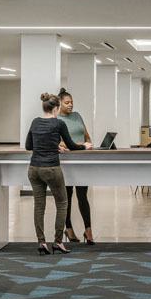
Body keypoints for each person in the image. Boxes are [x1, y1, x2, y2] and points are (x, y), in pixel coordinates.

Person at [25, 93, 77, 254]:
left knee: (39, 206)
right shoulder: (58, 123)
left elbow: (29, 146)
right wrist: (86, 146)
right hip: (51, 169)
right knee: (62, 203)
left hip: (34, 169)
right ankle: (58, 242)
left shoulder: (35, 122)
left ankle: (41, 243)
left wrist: (52, 145)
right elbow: (72, 146)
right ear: (56, 108)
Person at [58, 90, 97, 245]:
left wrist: (88, 143)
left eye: (71, 102)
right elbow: (58, 142)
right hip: (66, 162)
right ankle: (68, 228)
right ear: (59, 103)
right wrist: (77, 146)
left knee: (83, 196)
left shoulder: (77, 116)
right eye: (67, 102)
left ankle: (88, 230)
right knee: (66, 197)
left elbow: (86, 135)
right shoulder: (57, 119)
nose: (70, 105)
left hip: (82, 160)